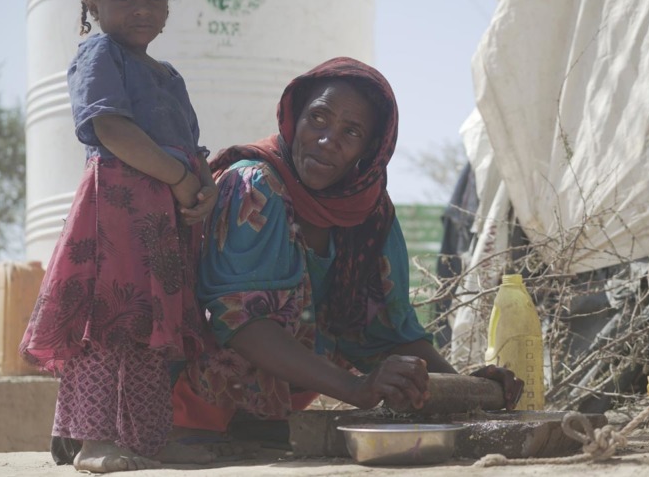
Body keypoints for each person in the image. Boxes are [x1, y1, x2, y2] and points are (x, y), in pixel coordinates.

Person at [169, 56, 524, 438]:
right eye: (318, 119)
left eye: (351, 132)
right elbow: (241, 324)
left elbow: (389, 330)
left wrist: (469, 392)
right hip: (189, 409)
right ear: (294, 115)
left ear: (370, 149)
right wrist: (355, 388)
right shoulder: (255, 187)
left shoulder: (368, 213)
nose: (327, 141)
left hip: (273, 422)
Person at [19, 0, 218, 472]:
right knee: (107, 326)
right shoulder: (98, 54)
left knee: (155, 330)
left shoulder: (168, 75)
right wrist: (178, 178)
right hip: (117, 212)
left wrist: (205, 186)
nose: (142, 8)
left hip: (164, 223)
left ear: (169, 8)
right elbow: (110, 127)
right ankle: (92, 439)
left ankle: (146, 440)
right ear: (93, 1)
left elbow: (192, 147)